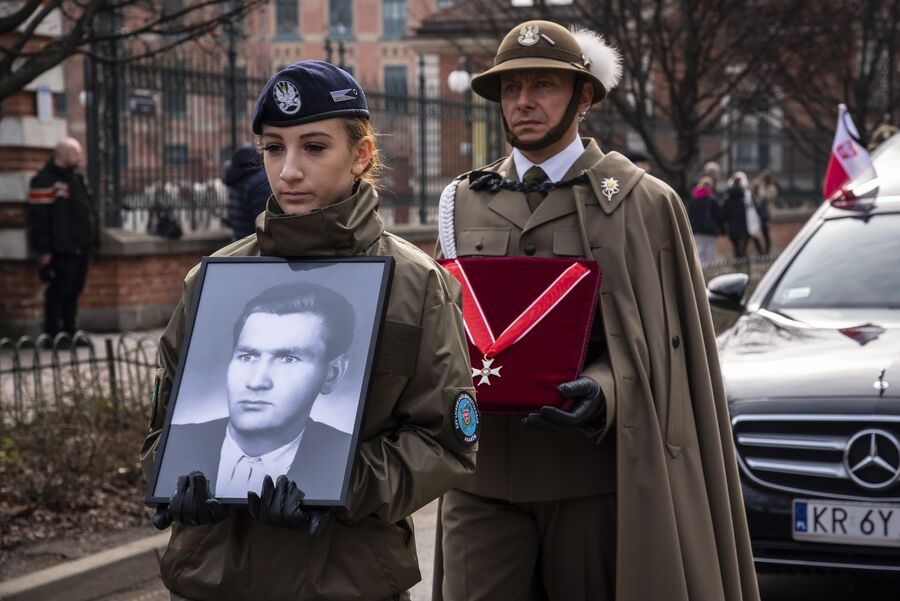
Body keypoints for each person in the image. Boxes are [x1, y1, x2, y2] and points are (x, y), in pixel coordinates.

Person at [434, 20, 758, 601]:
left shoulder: (643, 203)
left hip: (588, 477)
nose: (524, 102)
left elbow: (663, 347)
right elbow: (443, 330)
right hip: (482, 479)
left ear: (583, 97)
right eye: (511, 87)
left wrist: (606, 388)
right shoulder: (462, 202)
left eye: (544, 85)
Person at [140, 60, 478, 601]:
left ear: (361, 154)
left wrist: (339, 483)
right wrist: (172, 477)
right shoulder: (211, 280)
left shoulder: (415, 286)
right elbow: (162, 427)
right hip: (212, 577)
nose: (289, 171)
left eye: (314, 147)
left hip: (346, 578)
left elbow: (445, 441)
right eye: (274, 148)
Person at [152, 283, 354, 502]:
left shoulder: (348, 460)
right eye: (247, 356)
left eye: (288, 359)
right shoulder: (175, 443)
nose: (257, 381)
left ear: (333, 373)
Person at [26, 137, 95, 340]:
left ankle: (70, 331)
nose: (79, 157)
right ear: (63, 154)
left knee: (74, 290)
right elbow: (38, 218)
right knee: (58, 291)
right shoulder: (45, 180)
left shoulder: (76, 180)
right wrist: (44, 250)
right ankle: (54, 334)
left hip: (79, 247)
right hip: (59, 248)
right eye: (76, 153)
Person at [224, 144, 272, 239]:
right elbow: (265, 221)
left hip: (241, 237)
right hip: (256, 240)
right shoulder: (259, 183)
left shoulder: (236, 179)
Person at [723, 171, 762, 258]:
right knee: (744, 245)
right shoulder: (747, 195)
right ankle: (744, 260)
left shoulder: (727, 197)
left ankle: (738, 258)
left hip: (732, 225)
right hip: (744, 224)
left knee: (736, 246)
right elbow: (756, 207)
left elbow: (724, 213)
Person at [688, 176, 722, 264]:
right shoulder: (712, 199)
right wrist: (720, 228)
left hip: (696, 228)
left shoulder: (694, 198)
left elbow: (689, 213)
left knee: (699, 250)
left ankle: (700, 269)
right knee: (710, 251)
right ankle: (709, 269)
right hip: (709, 229)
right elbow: (718, 215)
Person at [751, 170, 777, 254]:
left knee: (765, 232)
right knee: (756, 232)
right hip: (758, 212)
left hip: (766, 213)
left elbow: (766, 197)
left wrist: (761, 189)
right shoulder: (760, 187)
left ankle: (767, 250)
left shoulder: (771, 188)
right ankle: (759, 250)